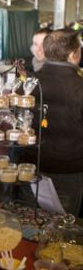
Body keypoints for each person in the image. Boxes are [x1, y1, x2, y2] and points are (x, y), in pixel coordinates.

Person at [33, 28, 83, 216]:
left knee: (31, 229)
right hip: (69, 174)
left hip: (31, 172)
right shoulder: (80, 87)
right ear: (73, 54)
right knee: (62, 234)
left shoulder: (29, 83)